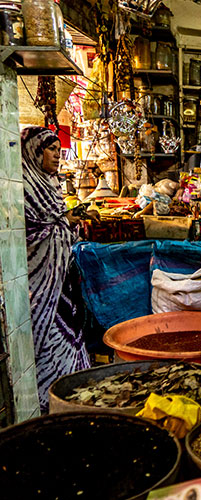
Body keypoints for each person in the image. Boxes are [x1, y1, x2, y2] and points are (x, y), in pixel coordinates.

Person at [21, 126, 89, 411]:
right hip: (40, 285)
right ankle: (48, 402)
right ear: (34, 151)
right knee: (49, 339)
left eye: (59, 149)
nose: (57, 155)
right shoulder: (23, 187)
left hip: (62, 279)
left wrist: (70, 221)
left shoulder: (51, 184)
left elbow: (57, 226)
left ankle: (73, 395)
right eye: (50, 149)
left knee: (70, 335)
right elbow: (26, 235)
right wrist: (65, 222)